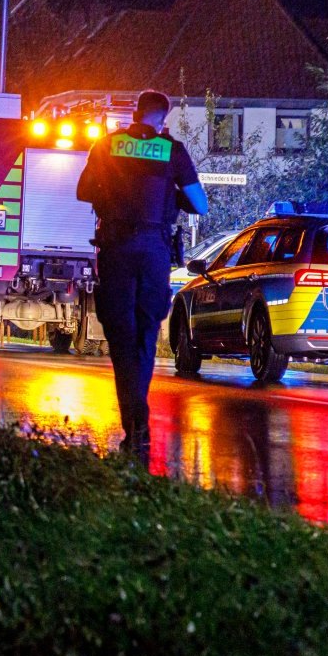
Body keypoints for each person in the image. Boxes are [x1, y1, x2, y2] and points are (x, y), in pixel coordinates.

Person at [76, 89, 207, 455]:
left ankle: (134, 424)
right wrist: (172, 195)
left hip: (116, 250)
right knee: (146, 337)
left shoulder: (107, 144)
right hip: (154, 252)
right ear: (162, 118)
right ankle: (139, 422)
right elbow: (200, 204)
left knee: (120, 338)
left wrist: (114, 189)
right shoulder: (173, 150)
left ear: (135, 113)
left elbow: (83, 191)